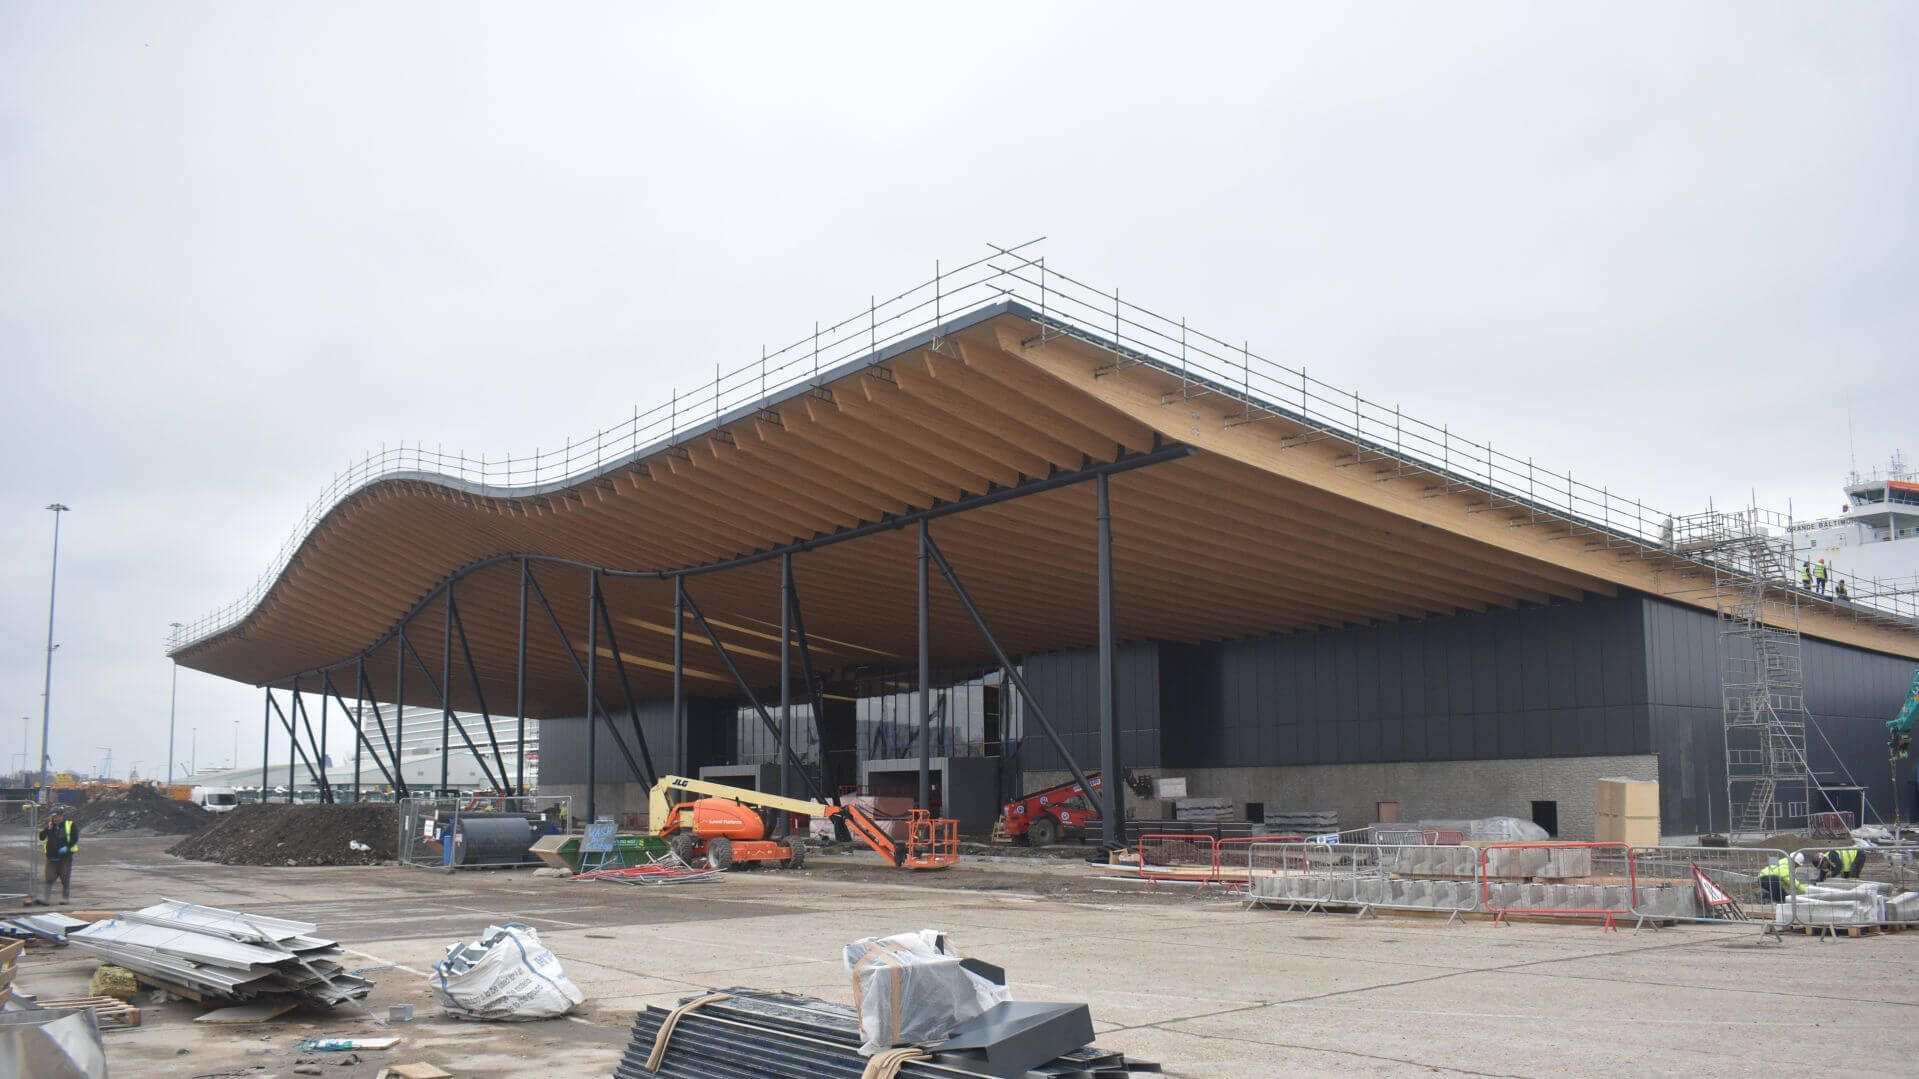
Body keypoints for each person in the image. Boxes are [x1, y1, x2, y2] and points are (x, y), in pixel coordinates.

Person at [38, 808, 79, 903]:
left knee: (65, 877)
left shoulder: (70, 825)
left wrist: (67, 848)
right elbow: (41, 837)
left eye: (56, 817)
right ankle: (46, 899)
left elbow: (74, 838)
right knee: (49, 878)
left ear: (62, 816)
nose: (55, 819)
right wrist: (48, 829)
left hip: (65, 857)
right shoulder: (50, 826)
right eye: (53, 817)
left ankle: (65, 899)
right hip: (51, 857)